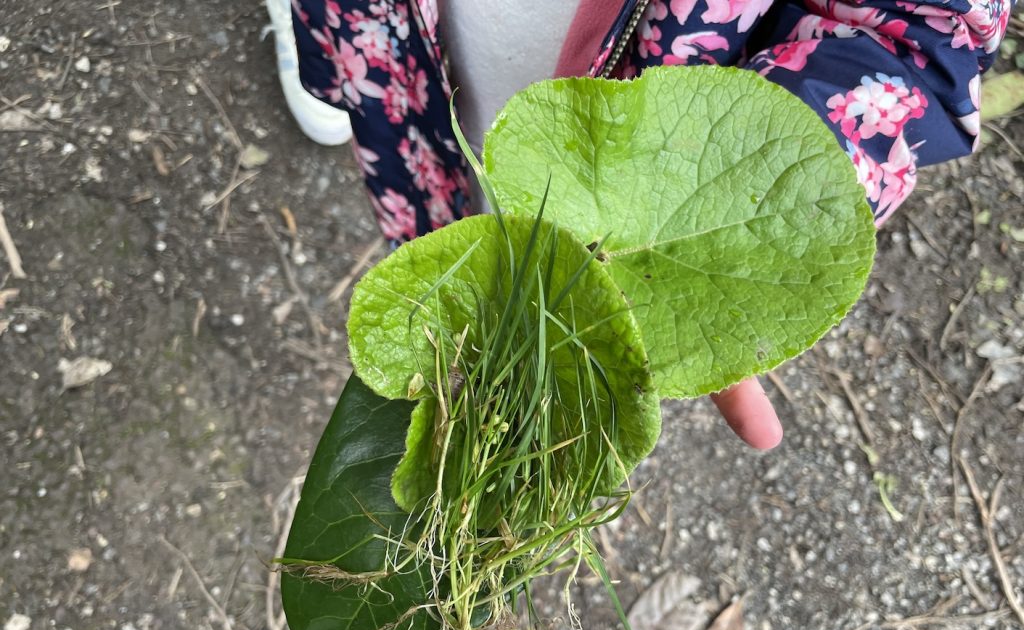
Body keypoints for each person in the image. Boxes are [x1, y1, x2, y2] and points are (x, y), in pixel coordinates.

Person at [264, 0, 1011, 450]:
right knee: (456, 234)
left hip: (630, 180)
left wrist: (718, 208)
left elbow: (920, 39)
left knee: (531, 300)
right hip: (404, 62)